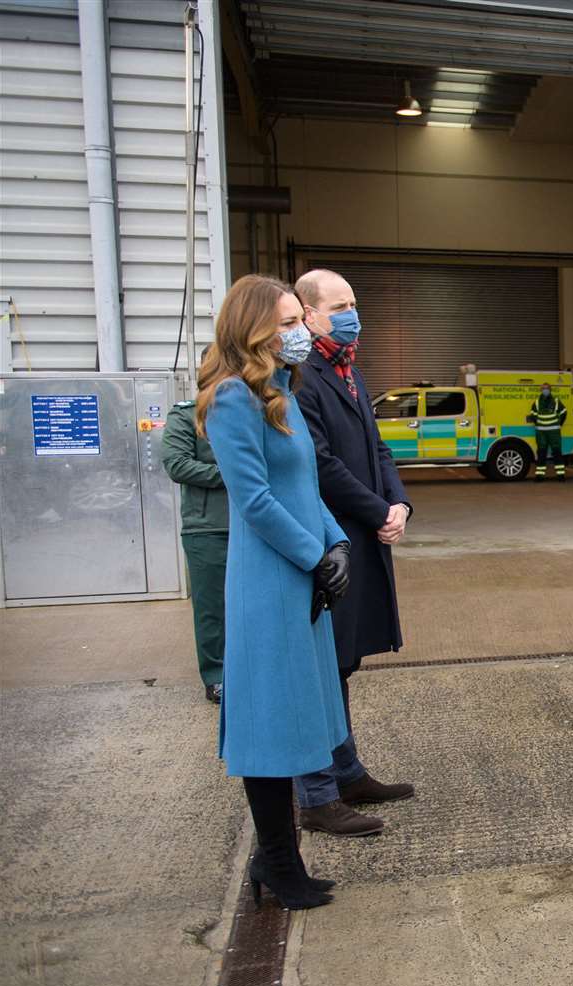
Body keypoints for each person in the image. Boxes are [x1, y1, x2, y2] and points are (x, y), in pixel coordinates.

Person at [195, 273, 351, 910]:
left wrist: (335, 541)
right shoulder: (232, 400)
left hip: (302, 572)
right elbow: (255, 500)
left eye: (299, 321)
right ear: (254, 329)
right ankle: (279, 864)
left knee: (296, 715)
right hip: (270, 581)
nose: (301, 333)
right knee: (268, 724)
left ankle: (276, 857)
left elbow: (305, 488)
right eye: (287, 323)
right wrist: (316, 556)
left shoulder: (282, 393)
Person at [291, 268, 416, 836]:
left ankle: (346, 772)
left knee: (342, 664)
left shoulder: (349, 372)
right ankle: (319, 790)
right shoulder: (303, 379)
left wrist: (398, 505)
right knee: (323, 667)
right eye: (338, 305)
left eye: (354, 302)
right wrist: (374, 510)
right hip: (329, 543)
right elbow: (321, 465)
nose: (351, 313)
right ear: (309, 314)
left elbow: (378, 447)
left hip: (360, 536)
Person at [161, 398, 228, 704]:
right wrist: (232, 475)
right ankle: (216, 675)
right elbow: (176, 464)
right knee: (212, 608)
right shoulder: (187, 414)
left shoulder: (253, 409)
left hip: (252, 523)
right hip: (207, 527)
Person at [527, 384, 568, 482]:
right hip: (541, 432)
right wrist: (538, 424)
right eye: (544, 388)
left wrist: (559, 424)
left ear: (550, 390)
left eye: (547, 388)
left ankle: (561, 475)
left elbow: (564, 412)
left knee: (557, 453)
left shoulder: (556, 401)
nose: (545, 390)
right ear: (541, 390)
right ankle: (539, 476)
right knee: (541, 454)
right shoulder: (536, 402)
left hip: (553, 431)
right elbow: (533, 415)